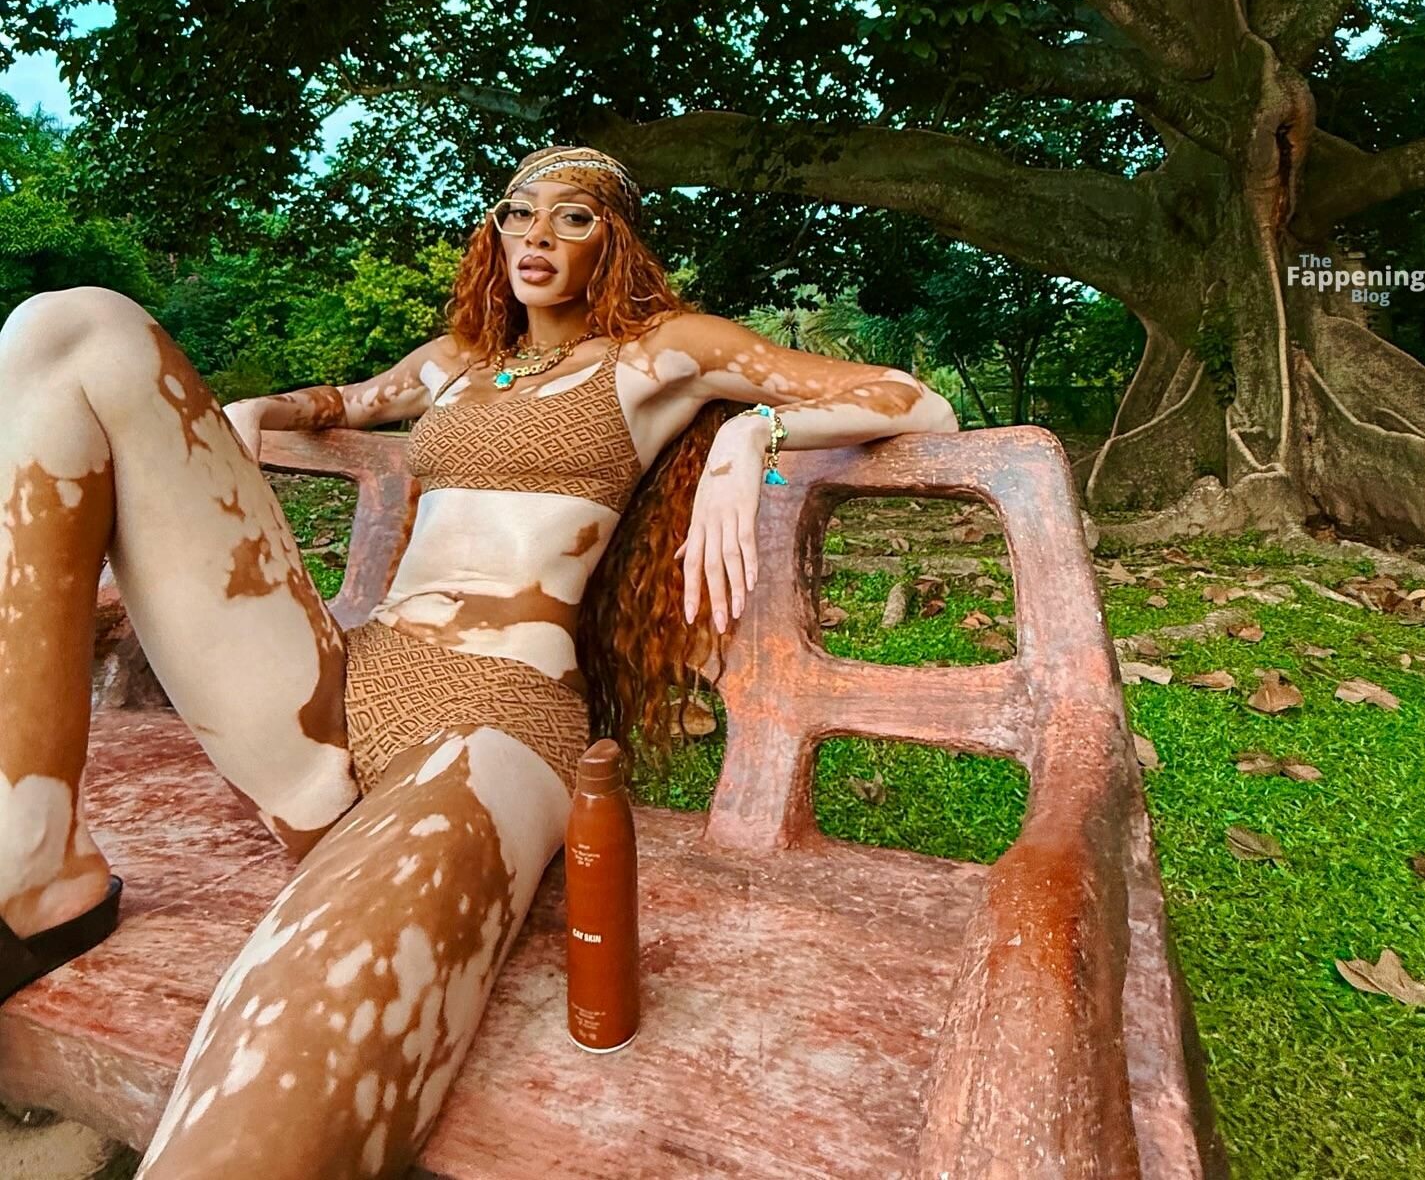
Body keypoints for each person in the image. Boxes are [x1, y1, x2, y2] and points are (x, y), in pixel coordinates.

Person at [0, 144, 958, 1177]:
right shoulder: (456, 362)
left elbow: (913, 400)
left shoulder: (660, 354)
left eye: (574, 218)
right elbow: (347, 402)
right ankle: (34, 866)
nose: (538, 235)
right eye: (518, 212)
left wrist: (752, 434)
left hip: (493, 715)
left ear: (614, 244)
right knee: (70, 329)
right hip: (333, 687)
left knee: (284, 1063)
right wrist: (254, 416)